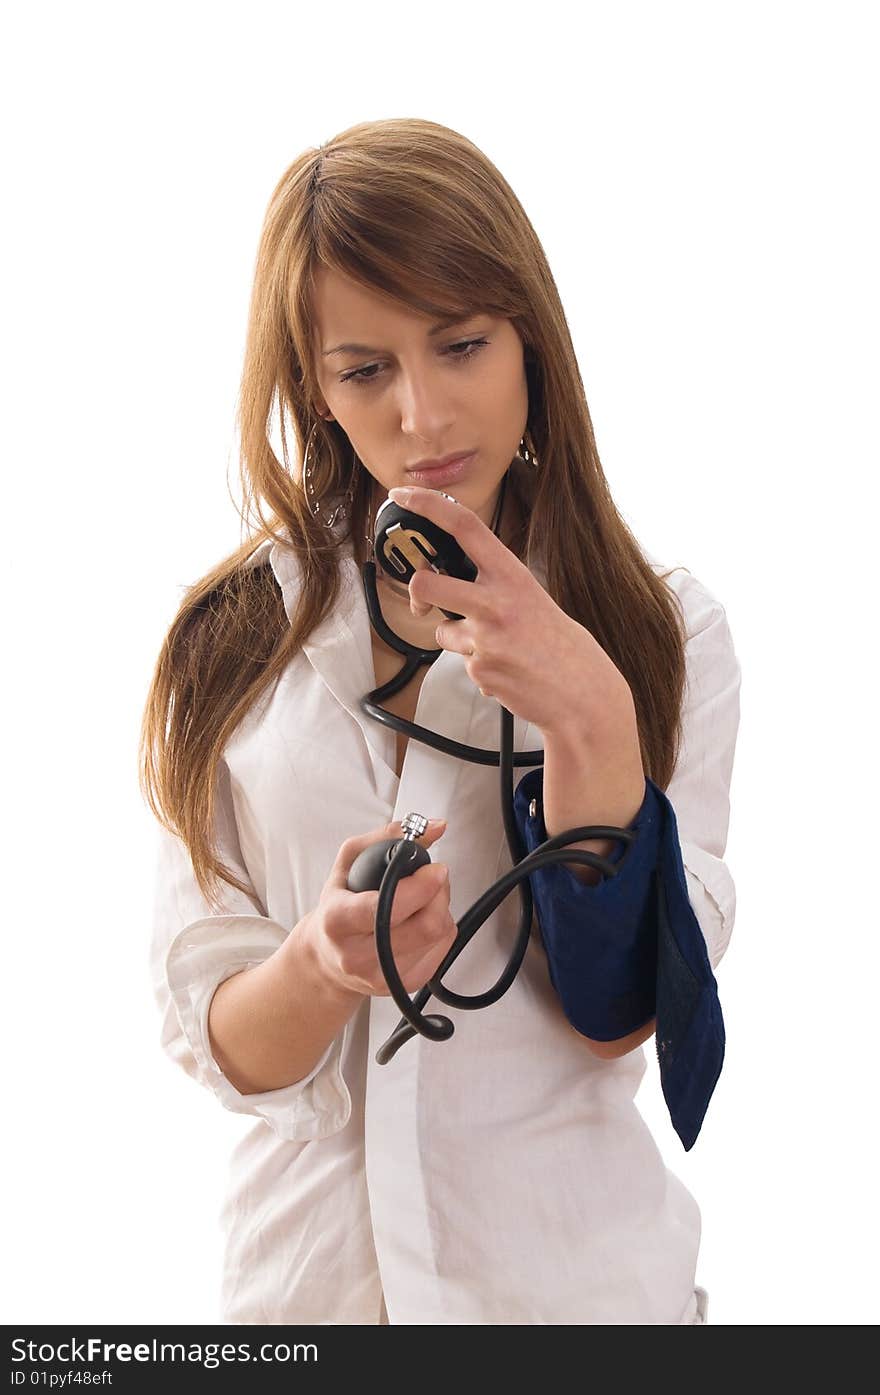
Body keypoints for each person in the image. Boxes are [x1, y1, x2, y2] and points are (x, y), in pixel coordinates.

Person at [141, 117, 741, 1326]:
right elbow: (216, 1034)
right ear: (315, 389)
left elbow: (628, 1012)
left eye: (461, 343)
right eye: (365, 369)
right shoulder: (230, 638)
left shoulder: (662, 632)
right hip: (301, 1307)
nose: (421, 414)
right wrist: (320, 962)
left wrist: (590, 723)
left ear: (530, 341)